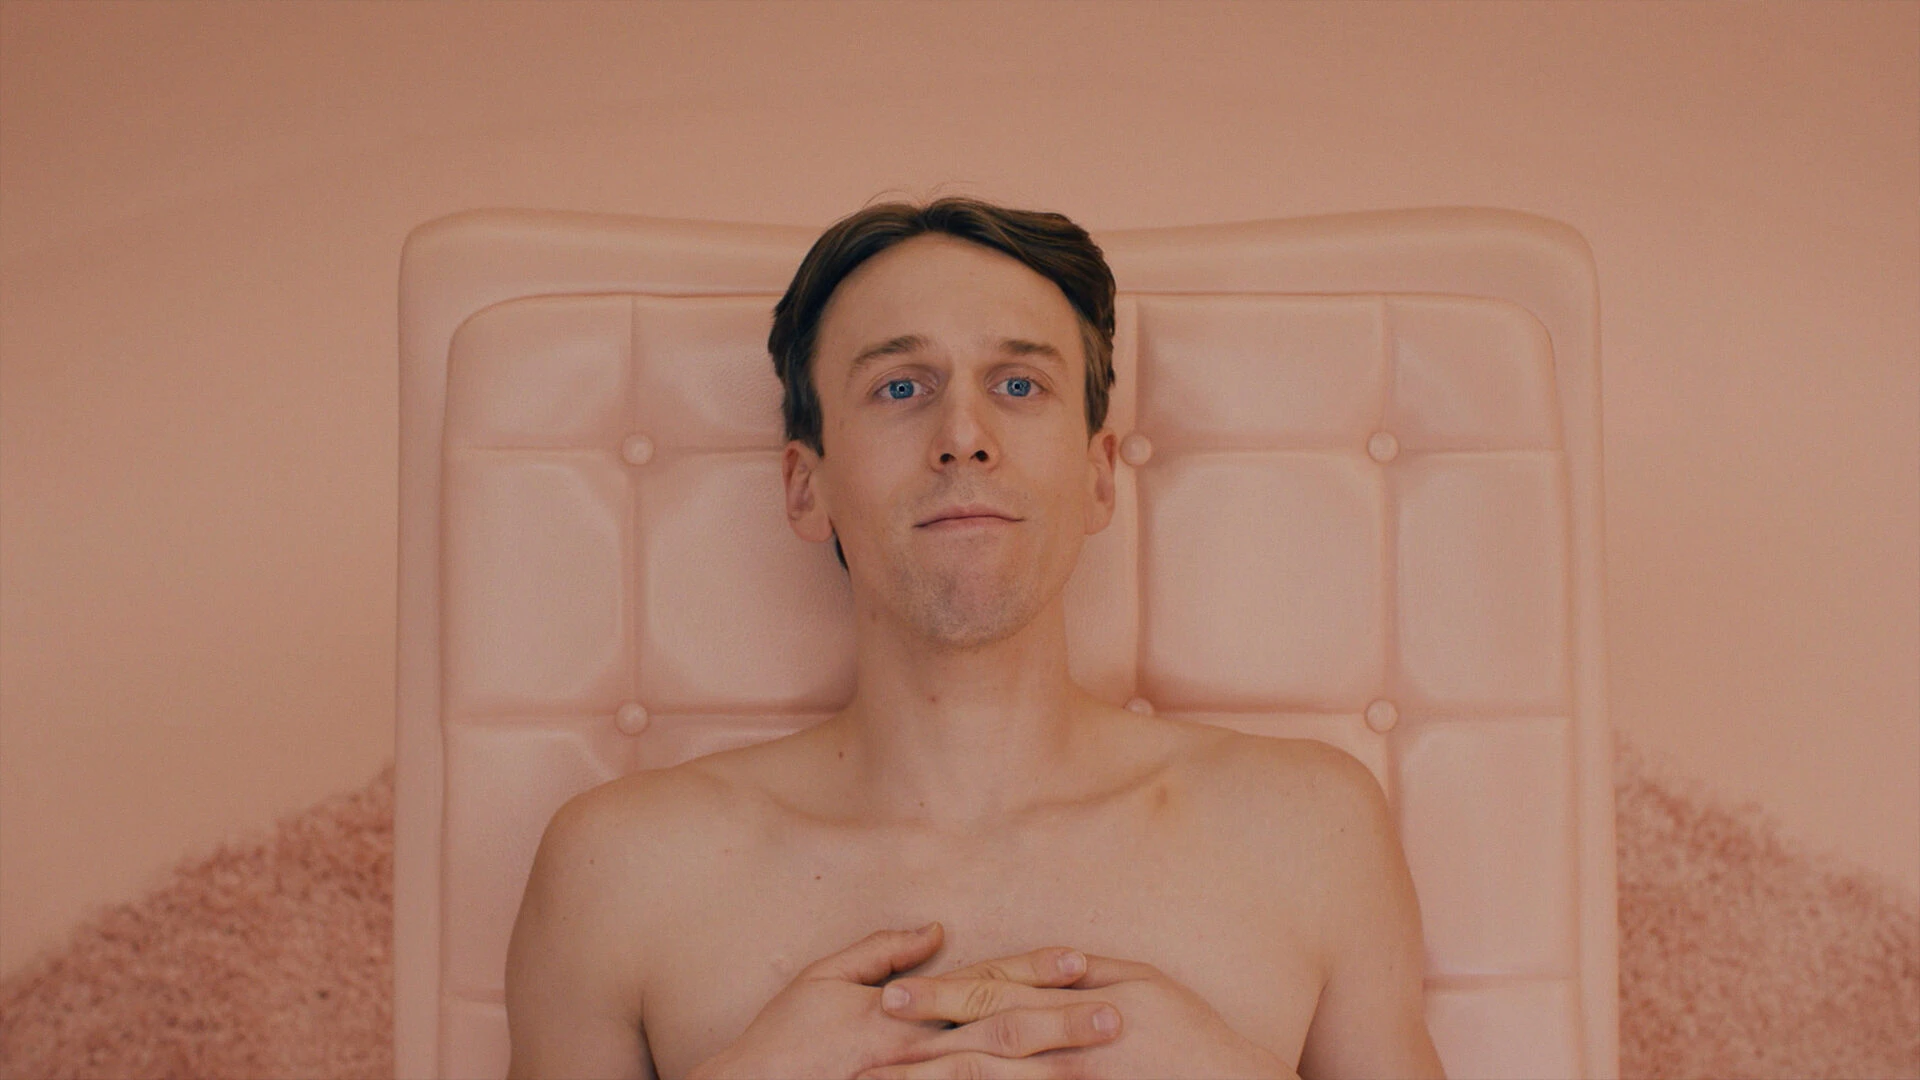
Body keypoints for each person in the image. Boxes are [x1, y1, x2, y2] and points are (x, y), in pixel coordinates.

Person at [504, 197, 1447, 1080]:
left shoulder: (1311, 832)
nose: (964, 434)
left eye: (1019, 384)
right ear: (806, 486)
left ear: (1099, 476)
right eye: (900, 386)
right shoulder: (618, 871)